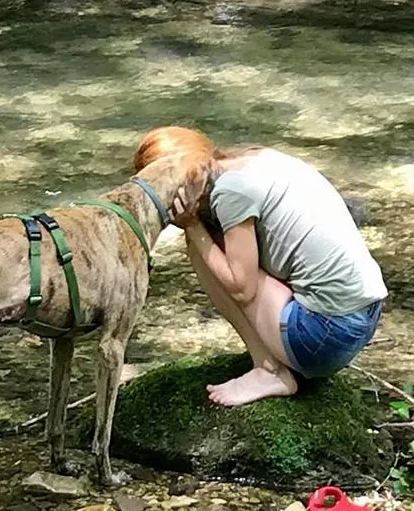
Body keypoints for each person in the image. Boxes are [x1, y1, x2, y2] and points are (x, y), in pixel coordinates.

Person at [133, 126, 388, 408]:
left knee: (200, 248)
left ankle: (269, 370)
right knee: (218, 242)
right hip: (363, 318)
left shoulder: (231, 192)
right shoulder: (256, 158)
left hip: (325, 338)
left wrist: (192, 226)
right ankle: (281, 354)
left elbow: (242, 289)